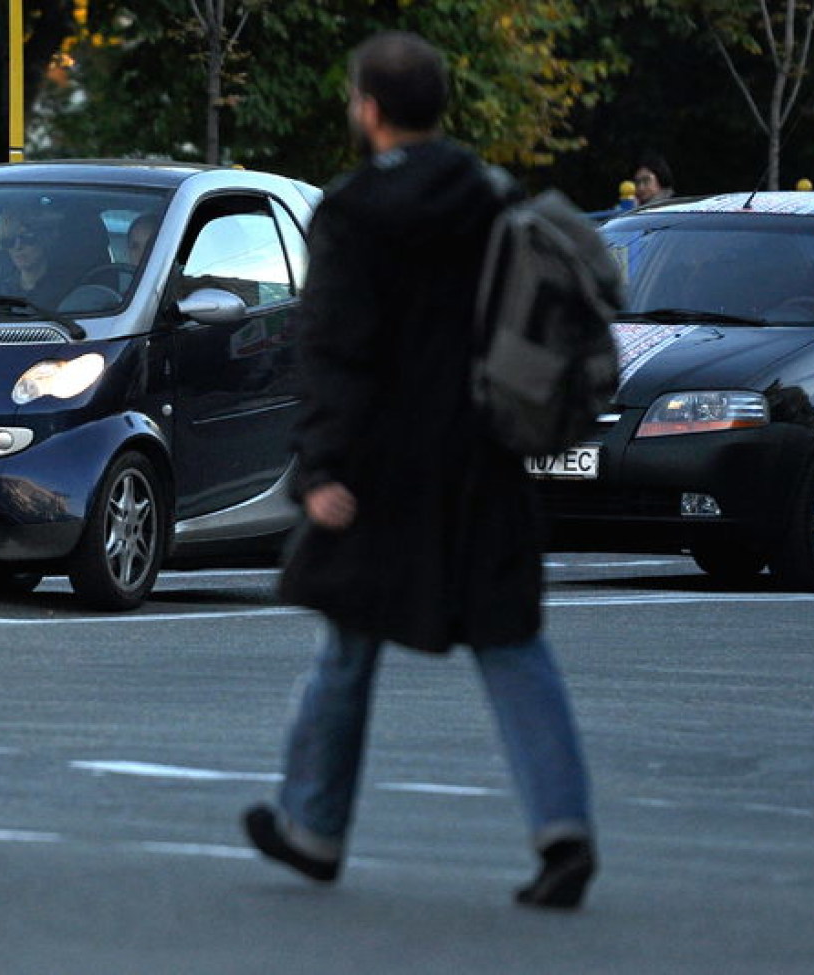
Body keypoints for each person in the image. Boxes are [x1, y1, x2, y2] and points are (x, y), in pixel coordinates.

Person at [240, 31, 597, 911]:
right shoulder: (493, 195)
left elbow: (333, 350)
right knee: (512, 641)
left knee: (347, 641)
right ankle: (564, 830)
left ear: (368, 108)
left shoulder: (354, 211)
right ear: (441, 107)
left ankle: (313, 827)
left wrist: (320, 464)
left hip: (383, 466)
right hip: (486, 456)